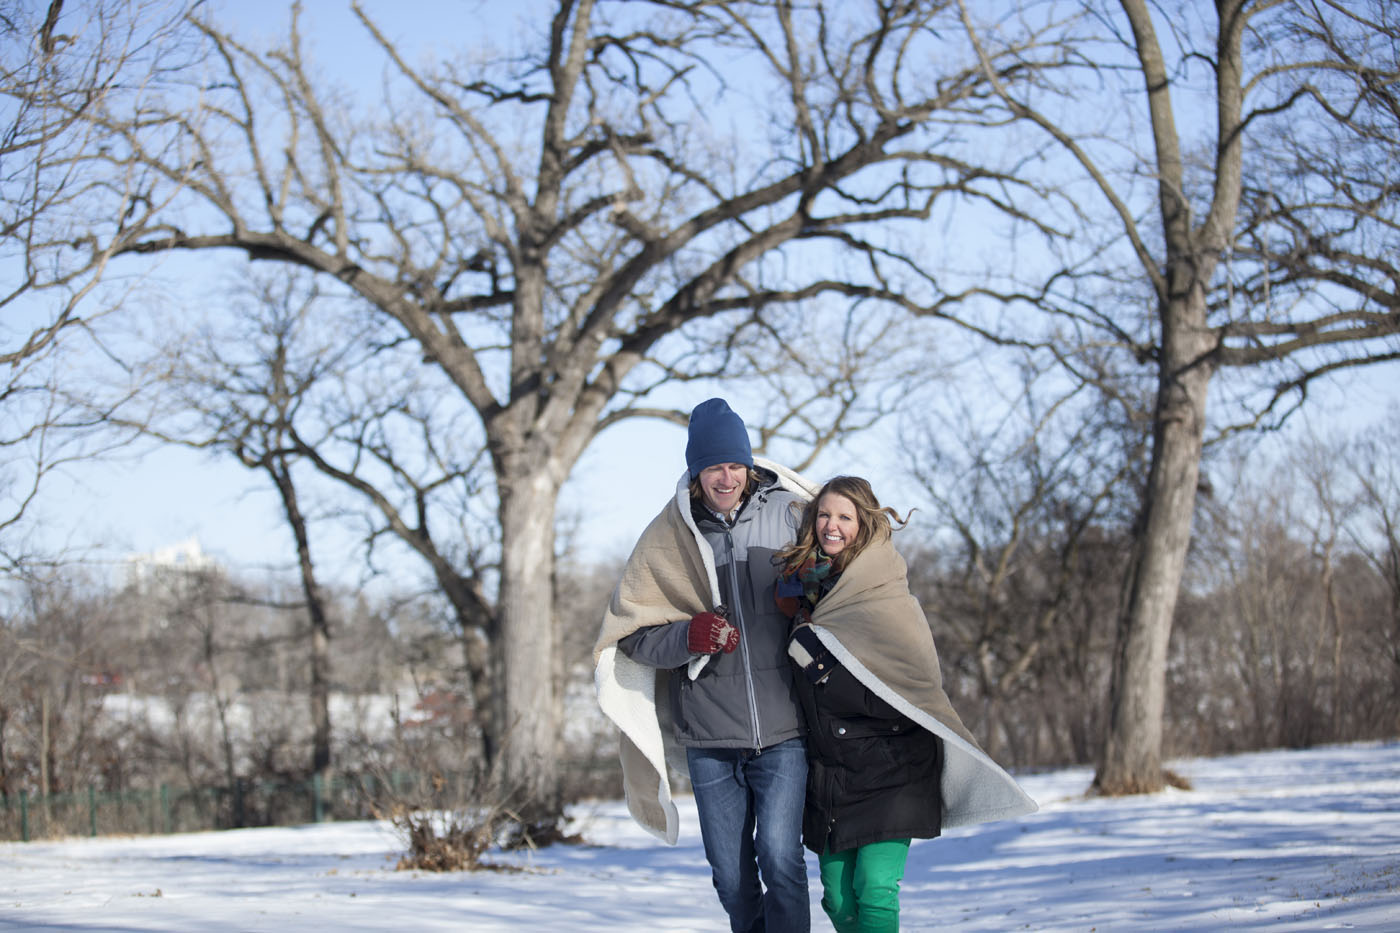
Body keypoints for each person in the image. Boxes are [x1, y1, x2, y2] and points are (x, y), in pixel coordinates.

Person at [593, 397, 821, 933]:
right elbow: (631, 637)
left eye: (735, 465)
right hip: (710, 739)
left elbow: (839, 580)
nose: (727, 477)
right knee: (731, 877)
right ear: (696, 472)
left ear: (749, 466)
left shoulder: (792, 516)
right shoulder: (666, 536)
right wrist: (689, 636)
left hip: (784, 730)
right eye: (715, 466)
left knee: (782, 859)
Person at [773, 476, 1038, 933]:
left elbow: (906, 690)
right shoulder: (802, 594)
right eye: (824, 515)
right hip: (830, 774)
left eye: (845, 517)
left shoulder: (884, 593)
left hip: (891, 768)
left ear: (866, 523)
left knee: (875, 890)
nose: (831, 526)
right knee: (838, 900)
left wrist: (816, 664)